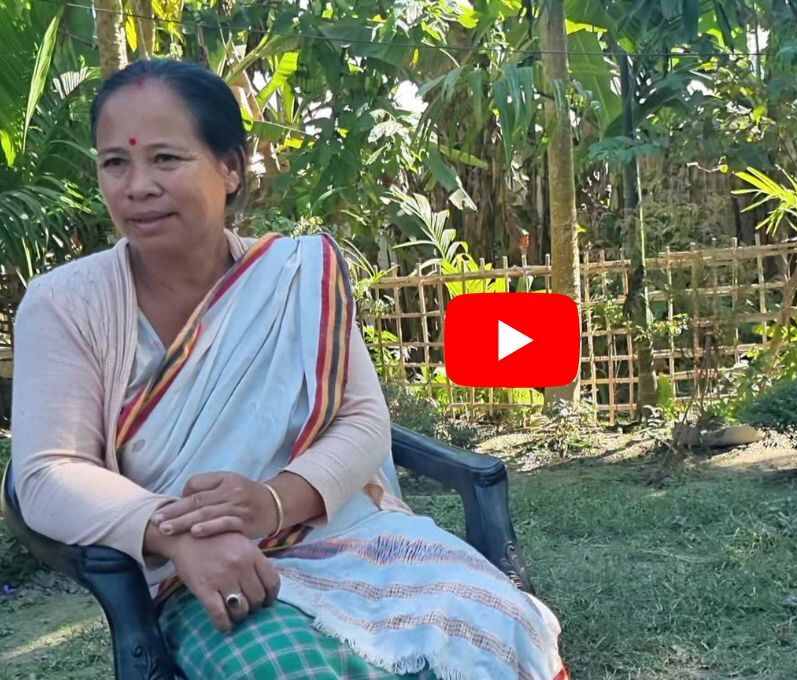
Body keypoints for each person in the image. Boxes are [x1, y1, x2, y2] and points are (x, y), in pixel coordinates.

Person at [11, 59, 567, 680]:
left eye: (165, 159)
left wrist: (272, 502)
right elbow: (46, 474)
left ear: (230, 167)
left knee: (494, 623)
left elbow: (361, 420)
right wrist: (180, 536)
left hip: (345, 536)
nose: (137, 185)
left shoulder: (299, 277)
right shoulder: (66, 303)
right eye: (116, 162)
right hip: (204, 570)